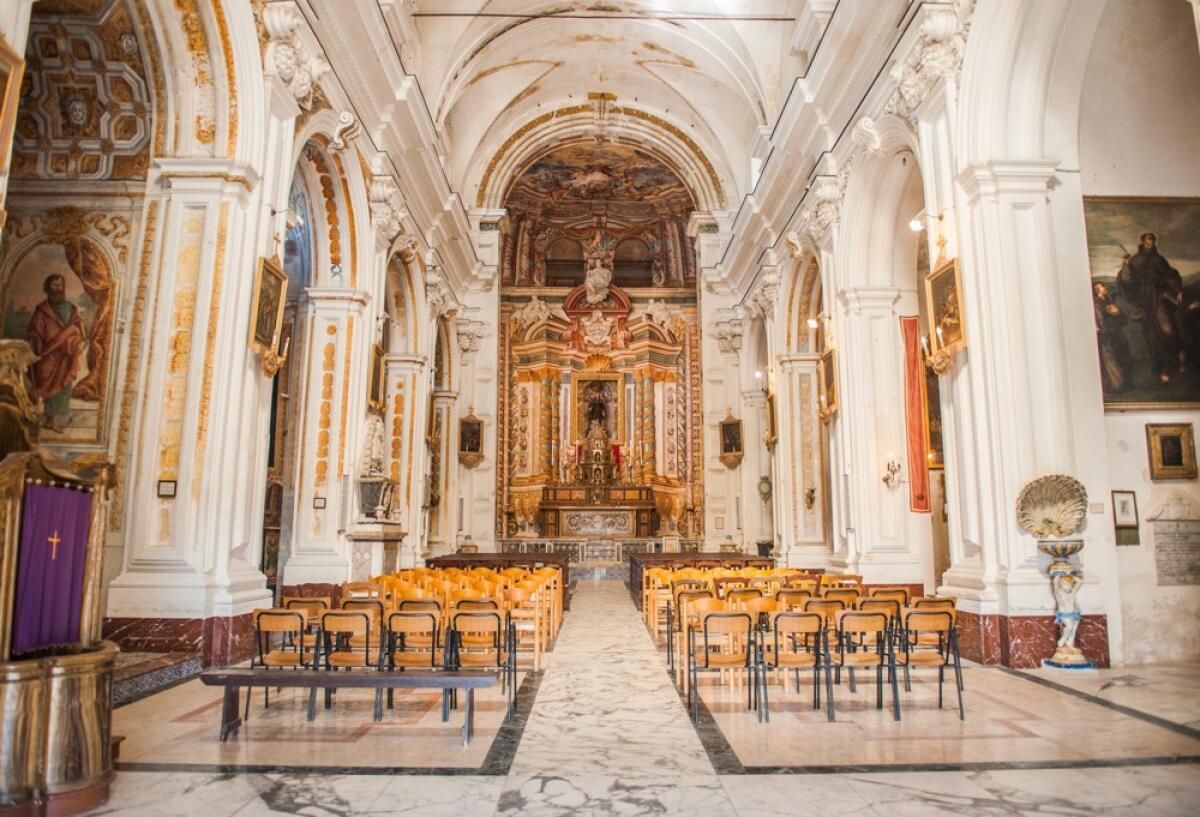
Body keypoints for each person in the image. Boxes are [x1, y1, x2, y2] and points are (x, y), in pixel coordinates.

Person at [1117, 233, 1185, 383]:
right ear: (1142, 242)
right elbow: (1126, 281)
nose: (1150, 243)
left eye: (1152, 241)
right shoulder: (1135, 260)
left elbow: (1170, 275)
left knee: (1168, 330)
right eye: (1148, 241)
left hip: (1159, 300)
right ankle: (1163, 368)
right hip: (1144, 303)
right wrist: (1126, 265)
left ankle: (1177, 357)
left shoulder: (1158, 259)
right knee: (1152, 336)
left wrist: (1178, 290)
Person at [25, 274, 86, 434]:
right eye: (54, 285)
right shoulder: (42, 310)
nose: (58, 288)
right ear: (48, 288)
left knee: (62, 386)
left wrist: (75, 336)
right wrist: (35, 343)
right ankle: (41, 418)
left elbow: (77, 326)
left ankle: (52, 421)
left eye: (60, 285)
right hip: (47, 354)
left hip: (65, 354)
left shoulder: (70, 308)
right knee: (44, 383)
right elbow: (34, 330)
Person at [1093, 281, 1132, 393]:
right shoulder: (1096, 304)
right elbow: (1103, 325)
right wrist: (1115, 317)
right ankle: (1116, 387)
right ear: (1097, 291)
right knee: (1113, 364)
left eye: (1105, 285)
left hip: (1118, 336)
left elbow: (1125, 321)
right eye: (1102, 286)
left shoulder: (1109, 301)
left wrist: (1118, 312)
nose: (1106, 287)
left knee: (1124, 359)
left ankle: (1125, 386)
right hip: (1107, 338)